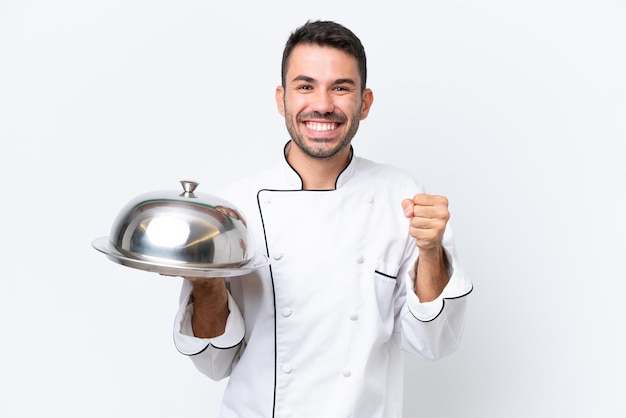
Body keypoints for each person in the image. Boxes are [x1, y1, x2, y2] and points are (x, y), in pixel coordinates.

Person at [173, 20, 473, 418]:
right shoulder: (233, 209)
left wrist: (431, 250)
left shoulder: (399, 195)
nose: (323, 104)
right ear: (281, 99)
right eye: (305, 86)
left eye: (341, 87)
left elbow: (432, 341)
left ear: (364, 103)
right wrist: (203, 284)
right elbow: (214, 361)